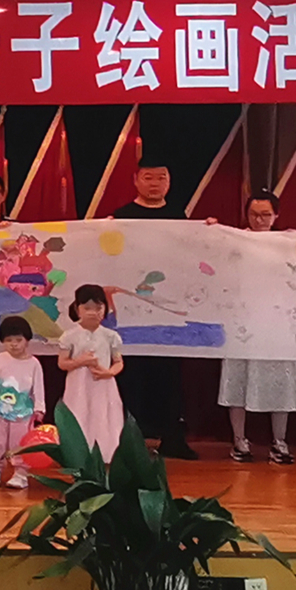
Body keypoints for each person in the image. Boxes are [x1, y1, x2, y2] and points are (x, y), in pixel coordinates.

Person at [108, 160, 202, 458]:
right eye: (148, 177)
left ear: (169, 182)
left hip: (169, 309)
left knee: (170, 375)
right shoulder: (120, 217)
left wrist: (209, 233)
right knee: (132, 374)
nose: (155, 183)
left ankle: (172, 438)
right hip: (130, 309)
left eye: (161, 178)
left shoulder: (179, 217)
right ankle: (130, 440)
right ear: (136, 180)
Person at [220, 191, 296, 465]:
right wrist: (211, 232)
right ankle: (239, 440)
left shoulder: (286, 243)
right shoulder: (234, 241)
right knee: (237, 379)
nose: (259, 220)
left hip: (278, 323)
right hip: (241, 321)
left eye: (266, 215)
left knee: (281, 382)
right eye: (254, 215)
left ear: (276, 215)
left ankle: (280, 441)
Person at [0, 315, 46, 488]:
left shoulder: (34, 364)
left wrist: (39, 408)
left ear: (27, 340)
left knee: (20, 443)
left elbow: (39, 388)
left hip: (23, 414)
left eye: (18, 340)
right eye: (9, 340)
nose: (14, 344)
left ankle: (20, 473)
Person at [58, 284, 125, 462]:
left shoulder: (110, 336)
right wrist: (81, 361)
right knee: (79, 414)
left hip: (103, 384)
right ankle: (78, 455)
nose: (93, 312)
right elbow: (62, 363)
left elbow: (118, 362)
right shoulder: (69, 336)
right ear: (77, 309)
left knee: (103, 416)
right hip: (78, 386)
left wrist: (108, 373)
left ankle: (106, 455)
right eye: (87, 308)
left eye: (98, 308)